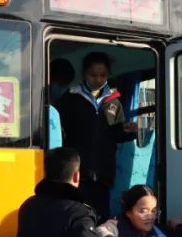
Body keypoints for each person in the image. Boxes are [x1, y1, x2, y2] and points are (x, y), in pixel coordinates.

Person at [55, 52, 137, 219]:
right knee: (78, 215)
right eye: (93, 75)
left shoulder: (114, 101)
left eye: (103, 75)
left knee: (102, 217)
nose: (98, 79)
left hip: (103, 173)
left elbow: (117, 134)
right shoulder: (71, 98)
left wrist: (128, 131)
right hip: (77, 171)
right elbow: (58, 131)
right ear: (85, 74)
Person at [46, 59, 74, 150]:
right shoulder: (36, 105)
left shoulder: (68, 105)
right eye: (60, 84)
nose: (63, 89)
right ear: (49, 80)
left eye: (66, 85)